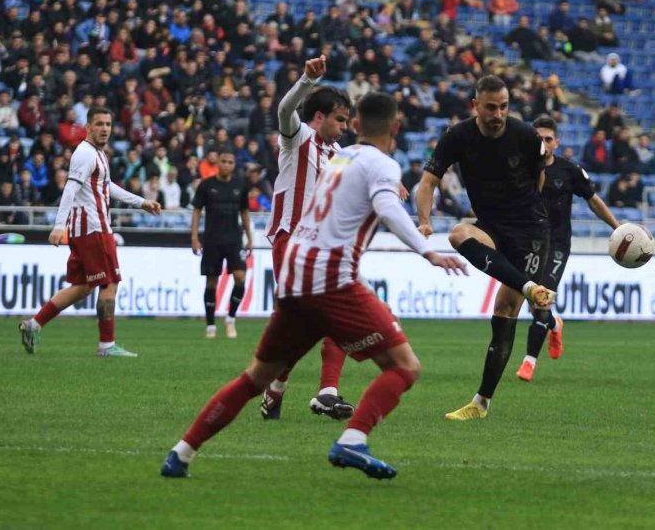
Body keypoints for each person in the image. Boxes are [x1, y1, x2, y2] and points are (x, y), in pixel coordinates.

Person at [161, 92, 468, 480]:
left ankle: (182, 451)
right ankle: (353, 439)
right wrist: (429, 251)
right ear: (395, 128)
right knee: (405, 367)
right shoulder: (381, 164)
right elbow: (389, 209)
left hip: (296, 272)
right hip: (331, 278)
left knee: (255, 377)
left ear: (355, 125)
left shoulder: (339, 157)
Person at [415, 75, 555, 421]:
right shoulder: (457, 136)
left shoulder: (525, 135)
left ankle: (481, 403)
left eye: (504, 107)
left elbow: (539, 180)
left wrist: (525, 208)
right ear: (475, 105)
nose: (498, 114)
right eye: (491, 107)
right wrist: (424, 220)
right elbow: (428, 181)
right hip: (491, 224)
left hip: (530, 228)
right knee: (459, 235)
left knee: (506, 309)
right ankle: (529, 286)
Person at [17, 108, 161, 356]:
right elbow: (70, 190)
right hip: (94, 228)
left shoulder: (98, 154)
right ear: (88, 127)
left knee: (82, 286)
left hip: (85, 229)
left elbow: (107, 186)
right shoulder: (84, 154)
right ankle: (106, 345)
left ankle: (34, 324)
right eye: (99, 124)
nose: (104, 128)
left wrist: (141, 202)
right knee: (110, 284)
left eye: (108, 123)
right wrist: (58, 226)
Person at [260, 57, 355, 422]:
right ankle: (275, 388)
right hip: (291, 241)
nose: (345, 127)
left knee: (339, 316)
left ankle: (327, 392)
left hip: (324, 247)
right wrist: (305, 80)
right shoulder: (297, 137)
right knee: (298, 325)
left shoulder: (338, 156)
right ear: (319, 117)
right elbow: (284, 109)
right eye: (340, 119)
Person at [513, 116, 619, 382]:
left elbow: (593, 201)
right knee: (535, 306)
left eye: (549, 139)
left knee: (542, 299)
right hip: (529, 244)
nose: (544, 143)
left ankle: (529, 362)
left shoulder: (569, 171)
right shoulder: (521, 169)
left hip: (558, 245)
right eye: (539, 138)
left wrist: (616, 227)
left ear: (556, 143)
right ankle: (554, 324)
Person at [191, 151, 252, 339]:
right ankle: (210, 326)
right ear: (218, 163)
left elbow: (245, 212)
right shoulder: (206, 185)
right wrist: (194, 237)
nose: (226, 165)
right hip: (211, 240)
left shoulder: (240, 185)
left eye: (230, 162)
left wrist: (250, 237)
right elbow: (196, 211)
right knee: (211, 282)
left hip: (234, 239)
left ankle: (231, 319)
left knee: (240, 278)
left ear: (234, 165)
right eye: (223, 161)